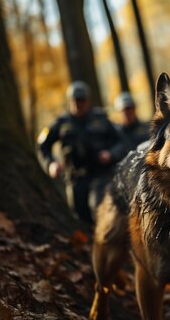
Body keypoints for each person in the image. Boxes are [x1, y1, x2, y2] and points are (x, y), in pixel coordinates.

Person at [38, 81, 128, 225]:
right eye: (75, 100)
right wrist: (51, 164)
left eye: (82, 100)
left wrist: (110, 154)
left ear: (88, 100)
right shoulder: (62, 123)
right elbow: (43, 146)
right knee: (79, 215)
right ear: (70, 101)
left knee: (98, 206)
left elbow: (120, 143)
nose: (79, 104)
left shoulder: (101, 119)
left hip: (100, 174)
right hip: (75, 177)